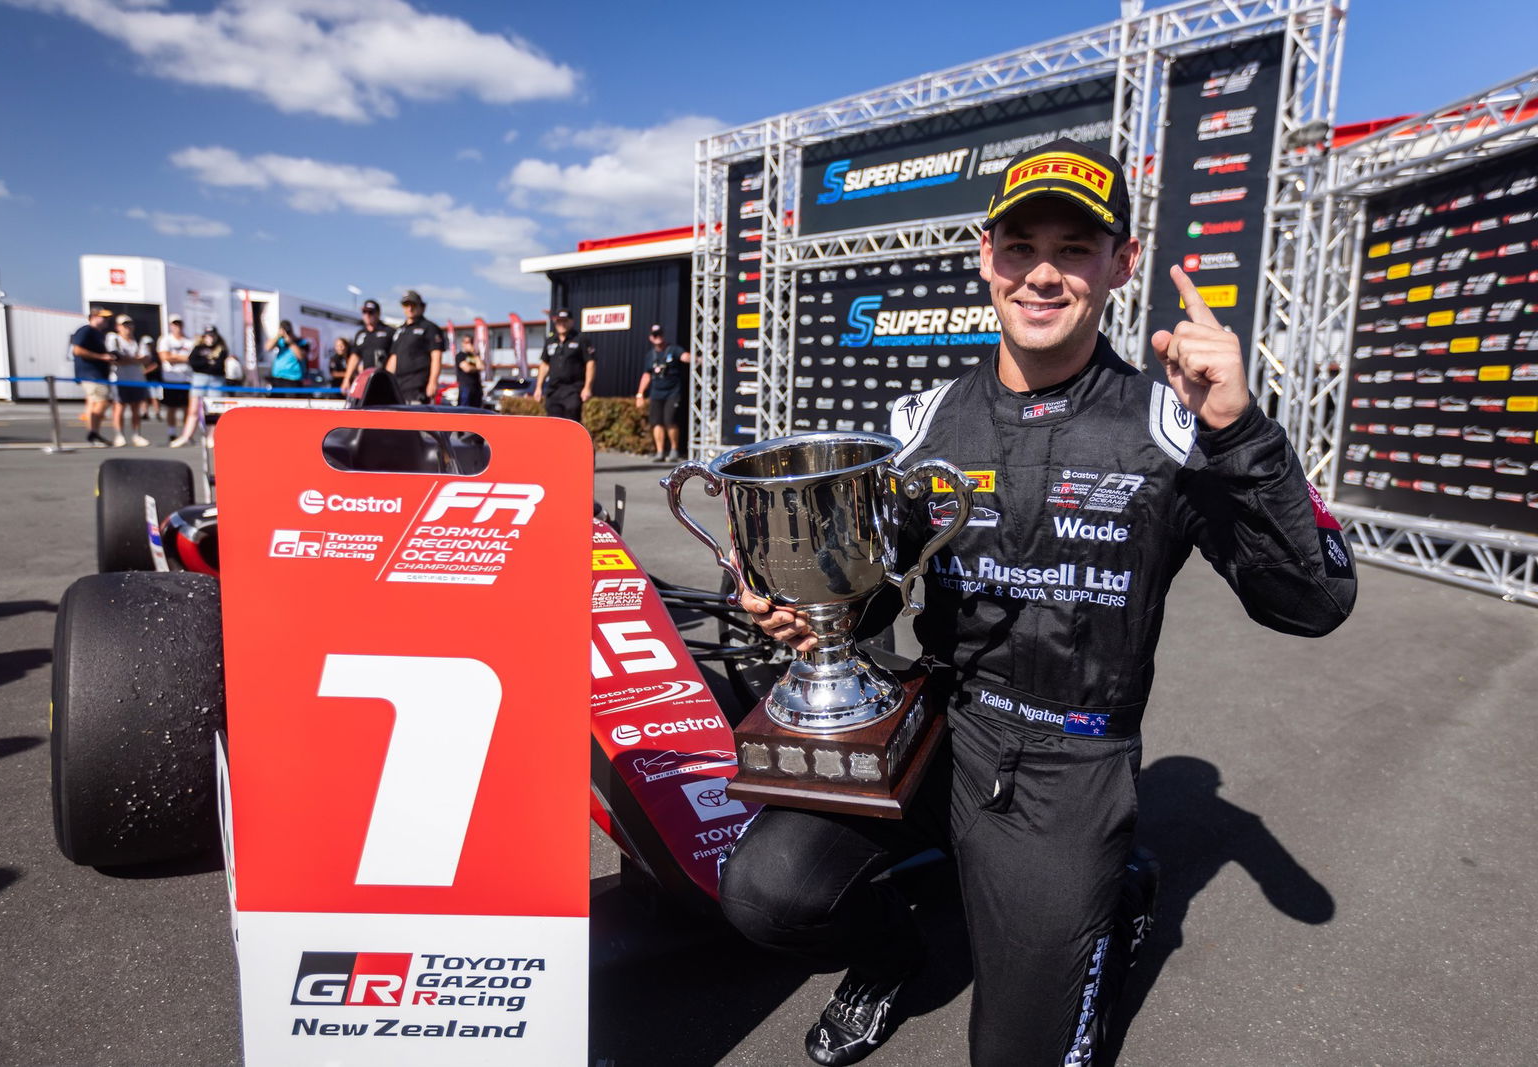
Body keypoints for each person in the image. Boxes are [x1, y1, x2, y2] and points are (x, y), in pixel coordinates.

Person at [722, 138, 1358, 1067]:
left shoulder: (1172, 423)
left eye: (1076, 246)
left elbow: (1313, 600)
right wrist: (806, 617)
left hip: (1072, 761)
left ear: (1121, 263)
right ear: (986, 256)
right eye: (1020, 247)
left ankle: (1108, 899)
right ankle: (892, 958)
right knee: (767, 891)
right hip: (938, 732)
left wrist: (1244, 434)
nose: (1043, 274)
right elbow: (872, 602)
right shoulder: (923, 421)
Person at [634, 323, 690, 461]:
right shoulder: (650, 355)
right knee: (656, 422)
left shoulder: (673, 349)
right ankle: (660, 452)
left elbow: (684, 356)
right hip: (656, 393)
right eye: (655, 335)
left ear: (663, 335)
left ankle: (674, 450)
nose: (657, 337)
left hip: (673, 392)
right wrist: (640, 394)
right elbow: (646, 375)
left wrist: (689, 357)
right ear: (651, 338)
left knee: (670, 419)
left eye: (659, 334)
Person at [170, 325, 228, 448]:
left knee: (213, 410)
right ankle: (186, 436)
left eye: (212, 335)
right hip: (199, 379)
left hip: (216, 380)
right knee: (194, 409)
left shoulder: (221, 349)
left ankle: (211, 436)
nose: (210, 338)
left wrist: (206, 362)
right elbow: (193, 362)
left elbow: (218, 366)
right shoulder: (198, 347)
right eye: (208, 335)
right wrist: (208, 361)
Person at [533, 308, 594, 422]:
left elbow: (590, 363)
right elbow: (545, 364)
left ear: (571, 321)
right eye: (559, 321)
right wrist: (538, 387)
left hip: (573, 389)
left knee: (571, 421)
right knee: (554, 423)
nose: (562, 324)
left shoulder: (581, 339)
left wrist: (587, 387)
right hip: (554, 390)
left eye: (565, 321)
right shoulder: (550, 341)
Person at [384, 290, 444, 404]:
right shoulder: (400, 330)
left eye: (413, 304)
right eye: (406, 305)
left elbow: (437, 356)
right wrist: (386, 382)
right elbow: (394, 358)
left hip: (418, 387)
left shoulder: (429, 328)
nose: (410, 308)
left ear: (421, 306)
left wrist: (433, 381)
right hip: (398, 386)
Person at [70, 307, 115, 446]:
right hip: (91, 374)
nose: (106, 320)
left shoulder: (99, 334)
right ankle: (93, 433)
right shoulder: (86, 330)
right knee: (102, 401)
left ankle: (93, 432)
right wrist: (101, 357)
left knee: (93, 403)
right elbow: (77, 350)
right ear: (94, 317)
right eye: (103, 317)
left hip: (97, 373)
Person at [106, 315, 152, 446]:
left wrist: (129, 360)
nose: (128, 328)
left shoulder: (139, 341)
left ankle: (136, 435)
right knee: (119, 407)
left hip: (137, 379)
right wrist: (134, 360)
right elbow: (116, 358)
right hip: (119, 379)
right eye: (124, 325)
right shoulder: (114, 339)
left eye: (130, 324)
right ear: (117, 327)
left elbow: (146, 359)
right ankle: (119, 435)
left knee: (135, 408)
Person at [341, 298, 394, 394]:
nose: (367, 315)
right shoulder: (361, 334)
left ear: (378, 313)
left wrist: (390, 378)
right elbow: (355, 356)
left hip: (384, 379)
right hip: (367, 380)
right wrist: (347, 378)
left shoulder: (388, 332)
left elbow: (394, 356)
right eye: (364, 312)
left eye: (370, 312)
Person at [156, 316, 193, 440]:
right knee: (171, 407)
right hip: (170, 378)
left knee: (186, 408)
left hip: (186, 378)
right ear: (171, 326)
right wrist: (181, 358)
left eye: (179, 324)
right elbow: (164, 357)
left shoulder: (189, 341)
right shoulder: (165, 340)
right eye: (174, 324)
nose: (177, 327)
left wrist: (174, 357)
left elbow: (192, 358)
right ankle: (171, 432)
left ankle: (186, 433)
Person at [266, 320, 306, 392]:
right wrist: (278, 336)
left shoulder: (300, 341)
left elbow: (301, 356)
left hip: (293, 378)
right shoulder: (279, 340)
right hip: (277, 377)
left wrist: (291, 343)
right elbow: (267, 348)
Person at [454, 332, 484, 408]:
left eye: (470, 342)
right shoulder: (460, 355)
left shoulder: (475, 355)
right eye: (466, 342)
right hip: (466, 387)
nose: (469, 344)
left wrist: (475, 354)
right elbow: (467, 368)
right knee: (464, 409)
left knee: (476, 410)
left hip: (476, 387)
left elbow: (481, 367)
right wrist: (476, 368)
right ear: (462, 343)